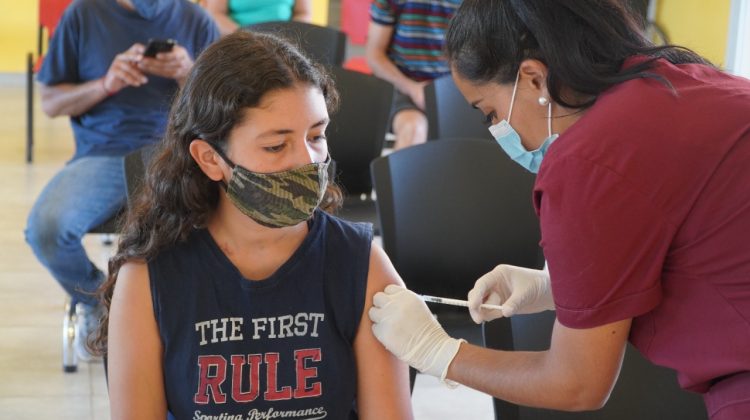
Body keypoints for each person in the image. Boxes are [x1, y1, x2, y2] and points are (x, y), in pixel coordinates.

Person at [367, 1, 750, 419]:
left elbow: (577, 383)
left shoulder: (588, 161)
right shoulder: (684, 82)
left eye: (489, 113)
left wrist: (438, 352)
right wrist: (558, 288)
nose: (498, 132)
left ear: (533, 78)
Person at [92, 30, 413, 419]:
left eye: (316, 135)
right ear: (210, 159)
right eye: (276, 146)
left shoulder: (363, 267)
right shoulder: (150, 278)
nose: (308, 161)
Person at [24, 0, 219, 361]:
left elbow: (226, 108)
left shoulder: (196, 20)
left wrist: (188, 74)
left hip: (177, 153)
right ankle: (101, 303)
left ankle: (182, 318)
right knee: (46, 230)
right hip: (104, 153)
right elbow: (51, 102)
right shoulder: (83, 14)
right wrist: (106, 83)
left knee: (220, 227)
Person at [366, 0, 462, 150]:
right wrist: (413, 89)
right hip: (399, 84)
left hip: (454, 87)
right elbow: (374, 55)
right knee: (414, 128)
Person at [201, 0, 313, 37]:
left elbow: (303, 13)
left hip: (285, 39)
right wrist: (246, 35)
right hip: (238, 38)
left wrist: (289, 35)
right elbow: (215, 14)